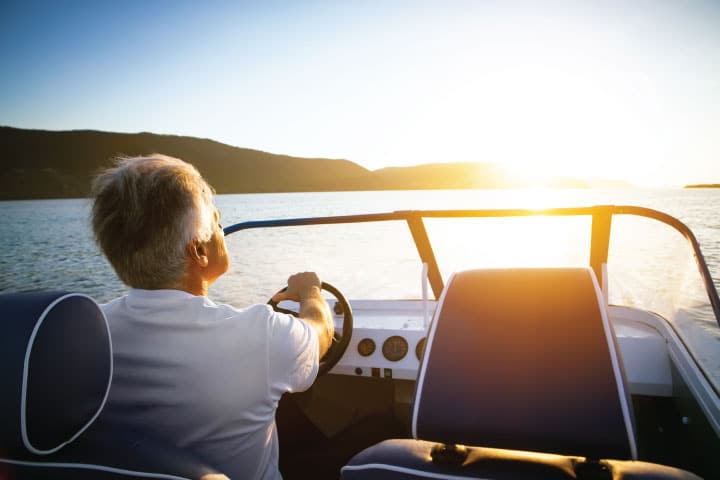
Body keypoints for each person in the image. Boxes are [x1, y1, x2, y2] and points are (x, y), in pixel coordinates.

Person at [91, 154, 334, 480]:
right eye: (216, 221)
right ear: (199, 251)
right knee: (379, 427)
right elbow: (320, 334)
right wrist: (310, 292)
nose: (221, 229)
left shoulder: (84, 335)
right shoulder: (259, 335)